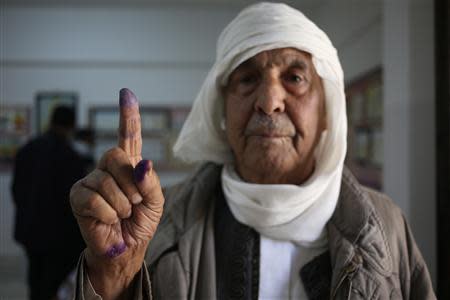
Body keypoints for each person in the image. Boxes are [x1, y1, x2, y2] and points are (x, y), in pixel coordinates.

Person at [69, 3, 436, 299]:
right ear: (222, 109)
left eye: (294, 77)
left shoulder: (385, 226)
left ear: (327, 110)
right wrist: (115, 273)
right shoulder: (160, 225)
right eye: (247, 79)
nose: (269, 101)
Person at [11, 105, 87, 300]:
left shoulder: (27, 150)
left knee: (35, 279)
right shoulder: (70, 156)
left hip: (29, 231)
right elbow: (76, 200)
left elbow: (16, 191)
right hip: (58, 236)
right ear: (71, 126)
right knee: (54, 285)